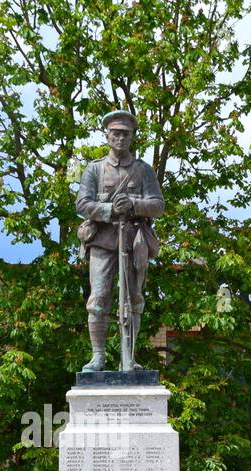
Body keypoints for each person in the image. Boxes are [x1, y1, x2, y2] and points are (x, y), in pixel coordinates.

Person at [74, 110, 164, 372]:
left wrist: (134, 204)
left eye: (126, 133)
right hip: (103, 241)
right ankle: (98, 357)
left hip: (133, 242)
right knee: (99, 299)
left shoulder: (143, 171)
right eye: (116, 133)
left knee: (134, 299)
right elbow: (82, 204)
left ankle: (129, 357)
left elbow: (158, 205)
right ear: (107, 135)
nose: (121, 138)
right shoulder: (95, 169)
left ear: (132, 137)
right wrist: (110, 210)